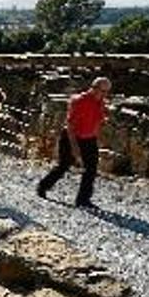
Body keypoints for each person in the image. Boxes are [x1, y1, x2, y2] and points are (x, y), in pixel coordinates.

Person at [37, 77, 112, 208]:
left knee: (91, 169)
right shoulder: (79, 101)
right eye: (103, 91)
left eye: (107, 92)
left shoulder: (100, 102)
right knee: (64, 166)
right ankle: (43, 186)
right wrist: (74, 146)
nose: (105, 94)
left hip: (89, 138)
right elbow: (70, 126)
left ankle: (83, 199)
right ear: (94, 88)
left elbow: (98, 120)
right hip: (72, 137)